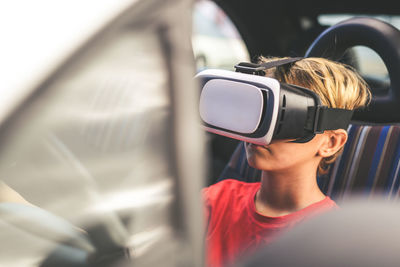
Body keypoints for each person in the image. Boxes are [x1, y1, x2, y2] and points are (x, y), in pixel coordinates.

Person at [202, 56, 371, 267]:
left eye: (283, 116)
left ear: (331, 142)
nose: (259, 130)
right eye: (260, 109)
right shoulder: (216, 200)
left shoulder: (334, 238)